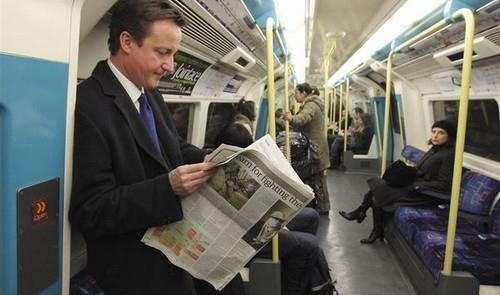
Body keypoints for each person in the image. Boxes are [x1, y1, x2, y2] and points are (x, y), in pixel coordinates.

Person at [69, 1, 243, 294]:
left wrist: (212, 159)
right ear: (127, 42)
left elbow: (172, 147)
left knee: (231, 280)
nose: (170, 66)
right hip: (132, 262)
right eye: (163, 52)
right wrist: (168, 187)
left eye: (173, 54)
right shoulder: (88, 105)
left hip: (172, 239)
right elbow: (91, 210)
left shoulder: (150, 95)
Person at [217, 122, 337, 295]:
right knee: (309, 245)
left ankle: (302, 276)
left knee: (311, 216)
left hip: (255, 221)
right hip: (239, 236)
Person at [338, 120, 456, 244]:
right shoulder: (433, 150)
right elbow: (421, 170)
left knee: (377, 195)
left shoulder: (449, 155)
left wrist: (417, 185)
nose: (435, 136)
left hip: (425, 194)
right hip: (414, 186)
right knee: (379, 187)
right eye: (434, 132)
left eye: (441, 133)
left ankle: (365, 218)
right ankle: (368, 221)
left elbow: (444, 183)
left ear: (449, 136)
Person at [284, 83, 331, 215]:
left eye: (296, 93)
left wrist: (292, 118)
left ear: (303, 93)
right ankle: (320, 205)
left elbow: (303, 118)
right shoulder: (313, 104)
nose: (295, 96)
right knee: (316, 177)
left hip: (315, 149)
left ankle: (323, 208)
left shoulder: (310, 105)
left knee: (318, 179)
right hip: (316, 147)